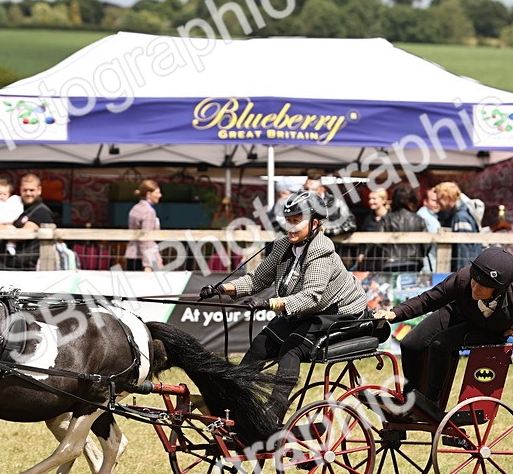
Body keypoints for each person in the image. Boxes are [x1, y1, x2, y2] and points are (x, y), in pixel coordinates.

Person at [203, 190, 370, 422]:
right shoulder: (282, 246)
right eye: (288, 221)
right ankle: (234, 401)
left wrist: (269, 303)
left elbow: (312, 296)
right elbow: (256, 279)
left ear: (314, 223)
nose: (291, 228)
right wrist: (222, 288)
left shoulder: (321, 249)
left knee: (292, 347)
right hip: (304, 312)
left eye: (296, 221)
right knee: (260, 346)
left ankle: (274, 410)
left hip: (338, 313)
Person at [373, 246, 513, 414]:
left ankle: (431, 402)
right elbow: (428, 300)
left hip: (491, 329)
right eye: (475, 280)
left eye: (483, 286)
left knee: (440, 344)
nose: (475, 287)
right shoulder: (463, 278)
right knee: (409, 343)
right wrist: (395, 313)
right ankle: (409, 398)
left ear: (499, 289)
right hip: (459, 313)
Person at [0, 174, 54, 271]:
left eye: (31, 190)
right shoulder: (19, 208)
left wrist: (6, 229)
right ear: (20, 190)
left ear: (39, 190)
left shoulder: (42, 211)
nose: (28, 193)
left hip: (23, 268)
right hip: (6, 265)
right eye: (25, 190)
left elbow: (22, 234)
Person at [433, 181, 484, 270]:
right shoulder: (458, 214)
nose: (437, 203)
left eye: (439, 199)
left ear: (448, 198)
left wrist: (462, 275)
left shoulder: (461, 218)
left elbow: (463, 250)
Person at [377, 185, 427, 273]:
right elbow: (426, 245)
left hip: (390, 262)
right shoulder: (419, 220)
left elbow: (378, 243)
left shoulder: (387, 219)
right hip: (414, 263)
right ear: (412, 200)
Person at [124, 180, 162, 272]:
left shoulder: (135, 208)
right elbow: (146, 238)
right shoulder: (148, 211)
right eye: (157, 193)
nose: (160, 195)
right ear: (149, 194)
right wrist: (148, 264)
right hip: (142, 258)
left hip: (132, 254)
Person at [417, 186, 441, 272]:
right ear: (425, 202)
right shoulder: (425, 216)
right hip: (427, 263)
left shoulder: (432, 216)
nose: (437, 203)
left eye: (439, 200)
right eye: (434, 201)